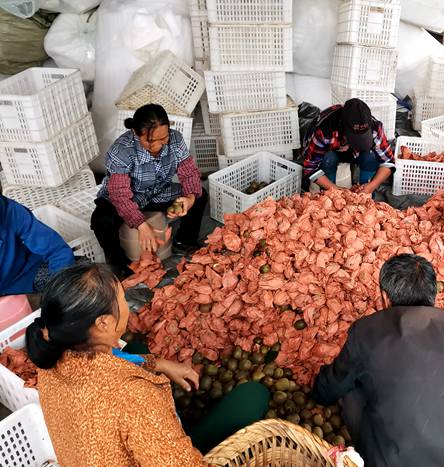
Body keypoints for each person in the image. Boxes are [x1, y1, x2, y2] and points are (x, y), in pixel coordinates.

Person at [26, 263, 269, 465]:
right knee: (253, 395)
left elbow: (118, 365)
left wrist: (160, 364)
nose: (127, 306)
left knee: (137, 350)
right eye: (122, 299)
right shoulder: (135, 399)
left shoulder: (49, 356)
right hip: (152, 442)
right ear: (103, 323)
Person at [312, 254, 444, 467]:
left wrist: (316, 392)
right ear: (433, 293)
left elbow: (331, 387)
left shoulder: (366, 331)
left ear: (384, 297)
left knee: (351, 389)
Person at [91, 104, 207, 278]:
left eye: (164, 138)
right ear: (136, 134)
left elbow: (189, 172)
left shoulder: (175, 140)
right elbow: (120, 195)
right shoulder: (122, 151)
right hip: (126, 197)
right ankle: (120, 264)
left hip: (158, 192)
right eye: (151, 141)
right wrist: (141, 225)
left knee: (200, 196)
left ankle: (184, 241)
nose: (159, 146)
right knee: (101, 220)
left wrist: (189, 198)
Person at [301, 98, 395, 195]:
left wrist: (371, 186)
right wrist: (336, 190)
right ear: (343, 127)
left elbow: (388, 162)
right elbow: (310, 168)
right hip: (330, 152)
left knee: (370, 156)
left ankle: (366, 194)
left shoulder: (375, 127)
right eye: (355, 138)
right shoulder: (324, 131)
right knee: (328, 159)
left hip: (355, 154)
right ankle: (328, 193)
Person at [0, 194, 74, 295]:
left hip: (24, 275)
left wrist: (58, 293)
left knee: (81, 278)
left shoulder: (10, 210)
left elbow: (57, 250)